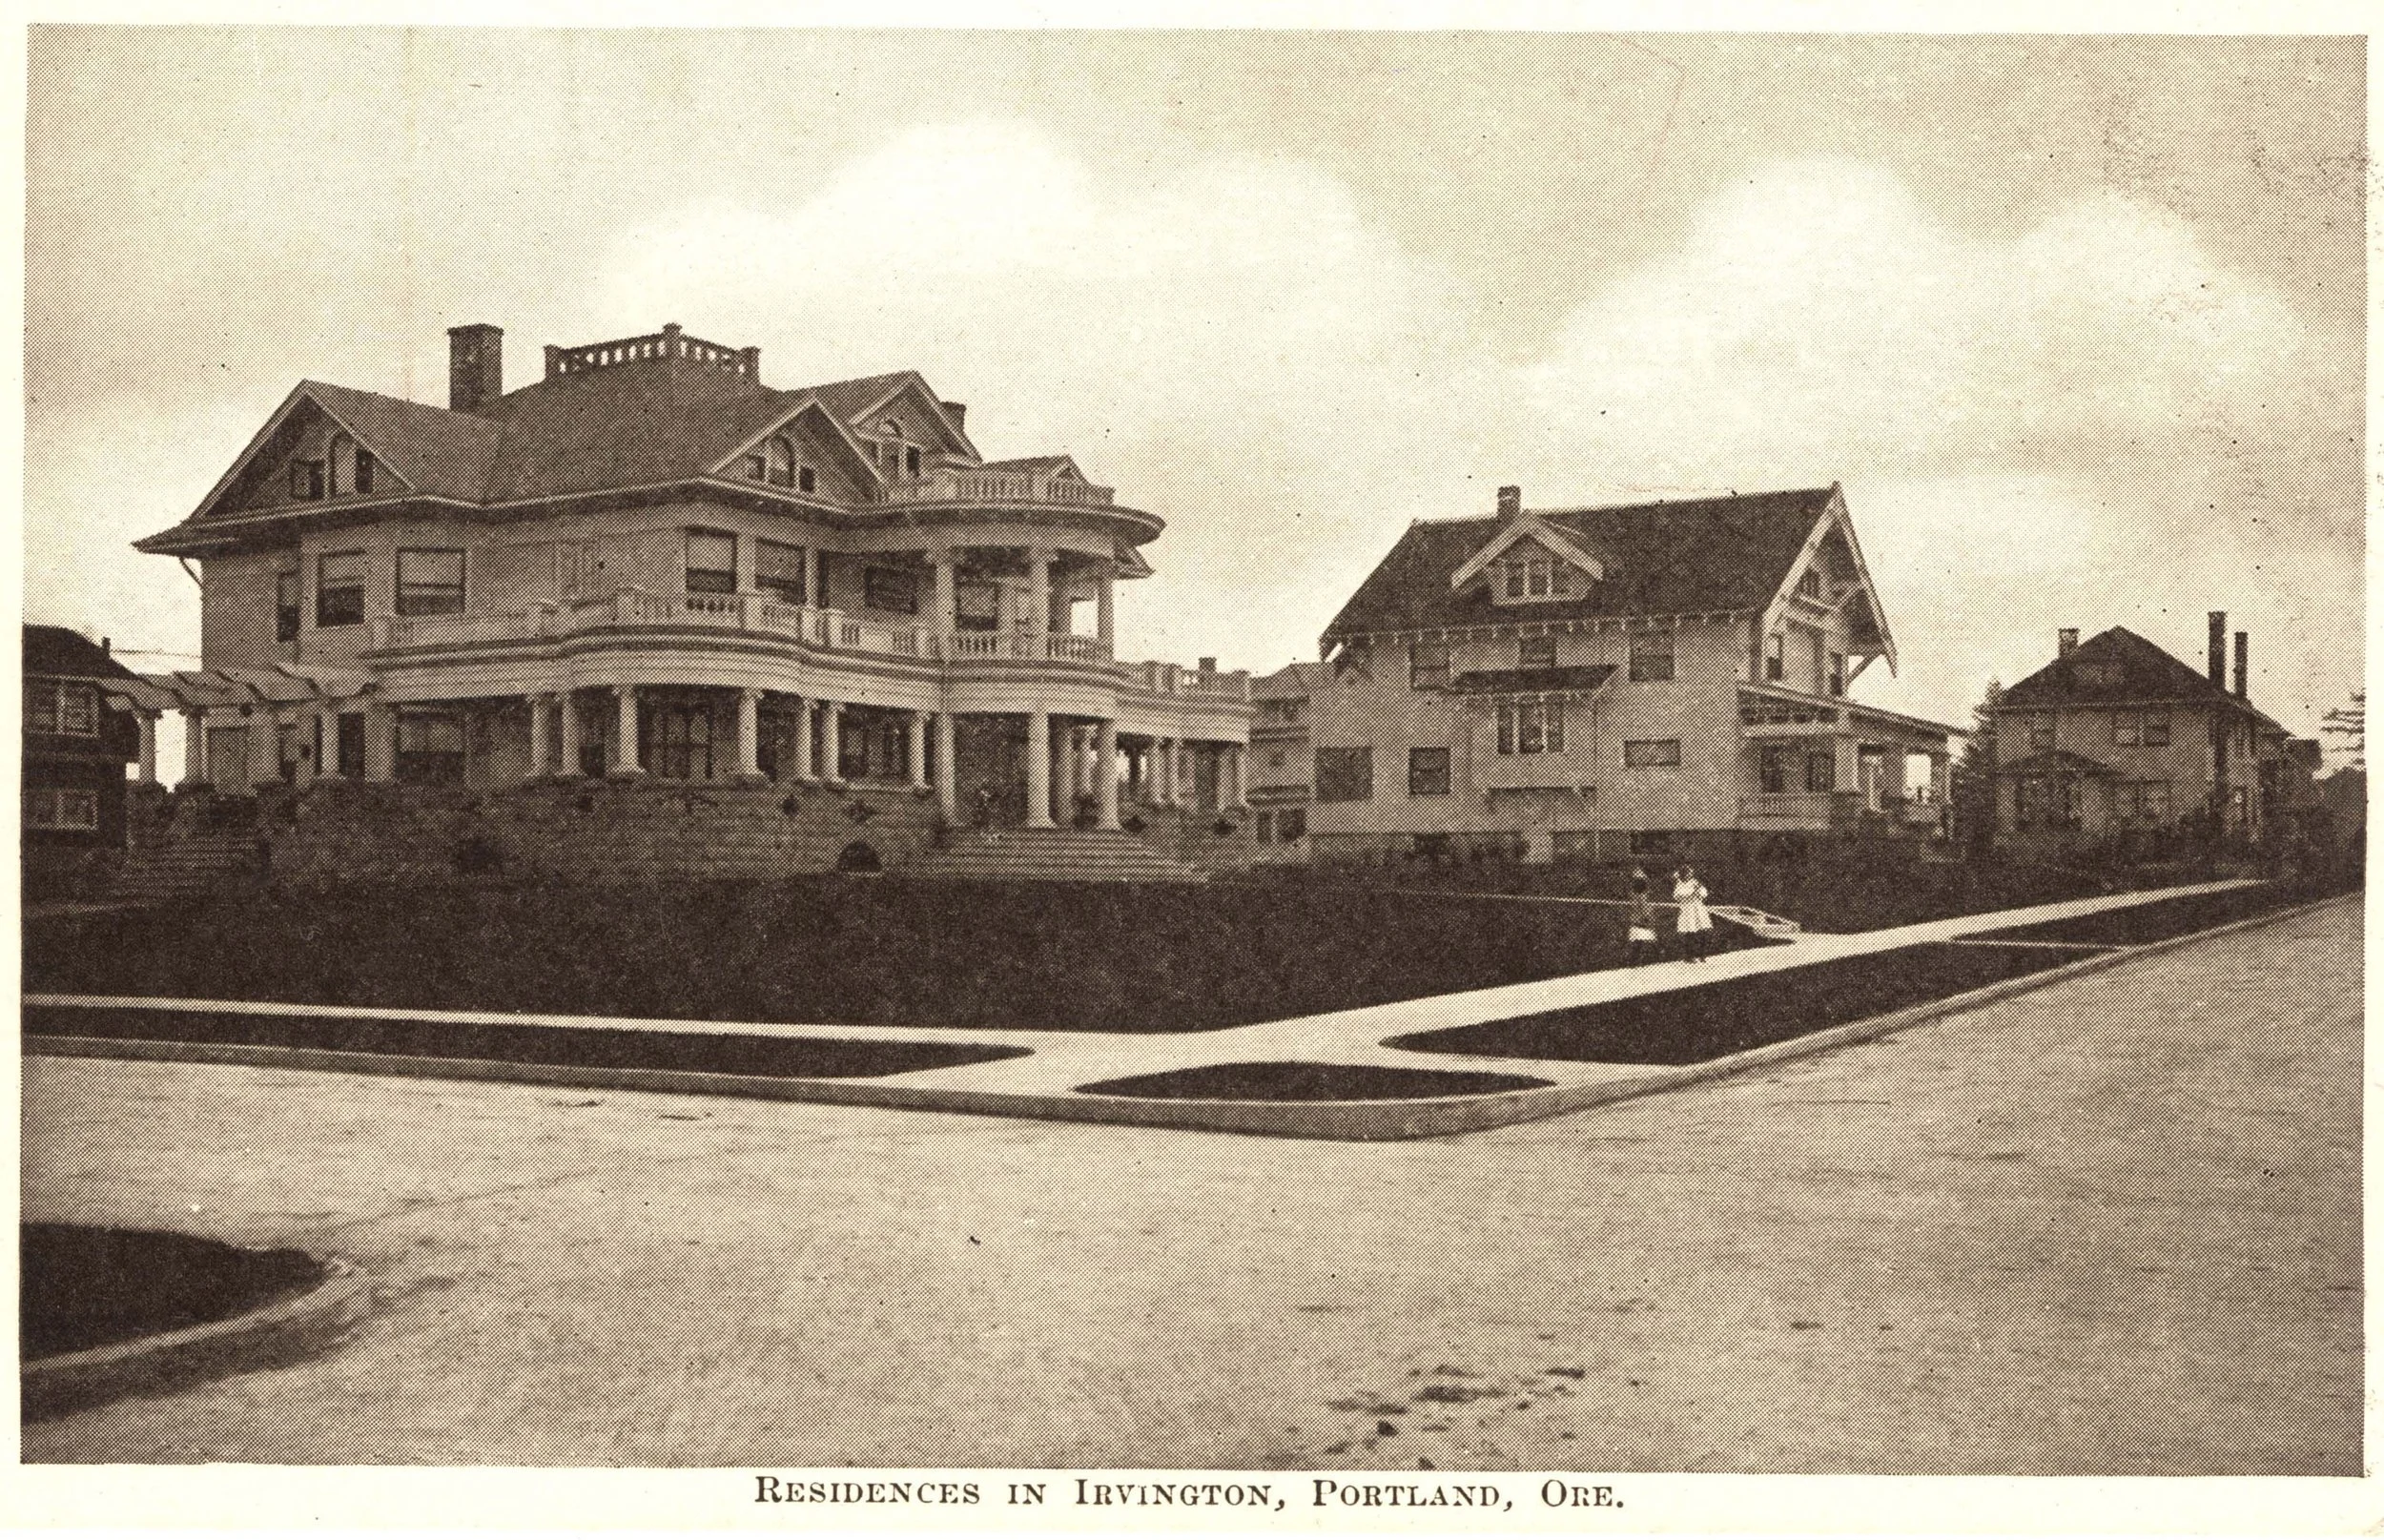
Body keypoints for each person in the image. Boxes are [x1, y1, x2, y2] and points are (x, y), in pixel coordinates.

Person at [1672, 864, 1713, 962]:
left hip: (1698, 909)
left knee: (1703, 931)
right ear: (1684, 874)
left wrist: (1698, 891)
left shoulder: (1695, 882)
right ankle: (1689, 956)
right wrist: (1692, 893)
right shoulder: (1680, 885)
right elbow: (1679, 897)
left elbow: (1704, 893)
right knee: (1690, 933)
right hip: (1688, 910)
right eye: (1688, 873)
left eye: (1691, 873)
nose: (1690, 875)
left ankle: (1702, 955)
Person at [1625, 875, 1657, 967]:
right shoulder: (1642, 898)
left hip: (1636, 922)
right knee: (1643, 943)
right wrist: (1648, 918)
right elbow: (1644, 910)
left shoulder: (1634, 896)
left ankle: (1635, 962)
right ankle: (1640, 962)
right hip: (1641, 922)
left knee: (1637, 943)